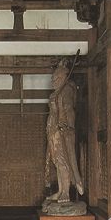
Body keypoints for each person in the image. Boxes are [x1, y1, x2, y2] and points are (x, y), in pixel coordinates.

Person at [44, 58, 85, 202]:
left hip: (62, 130)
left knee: (63, 160)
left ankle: (66, 192)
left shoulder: (66, 90)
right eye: (52, 78)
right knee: (57, 161)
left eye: (55, 78)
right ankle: (61, 190)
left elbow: (69, 111)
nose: (53, 81)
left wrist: (65, 125)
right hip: (53, 129)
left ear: (62, 77)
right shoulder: (56, 92)